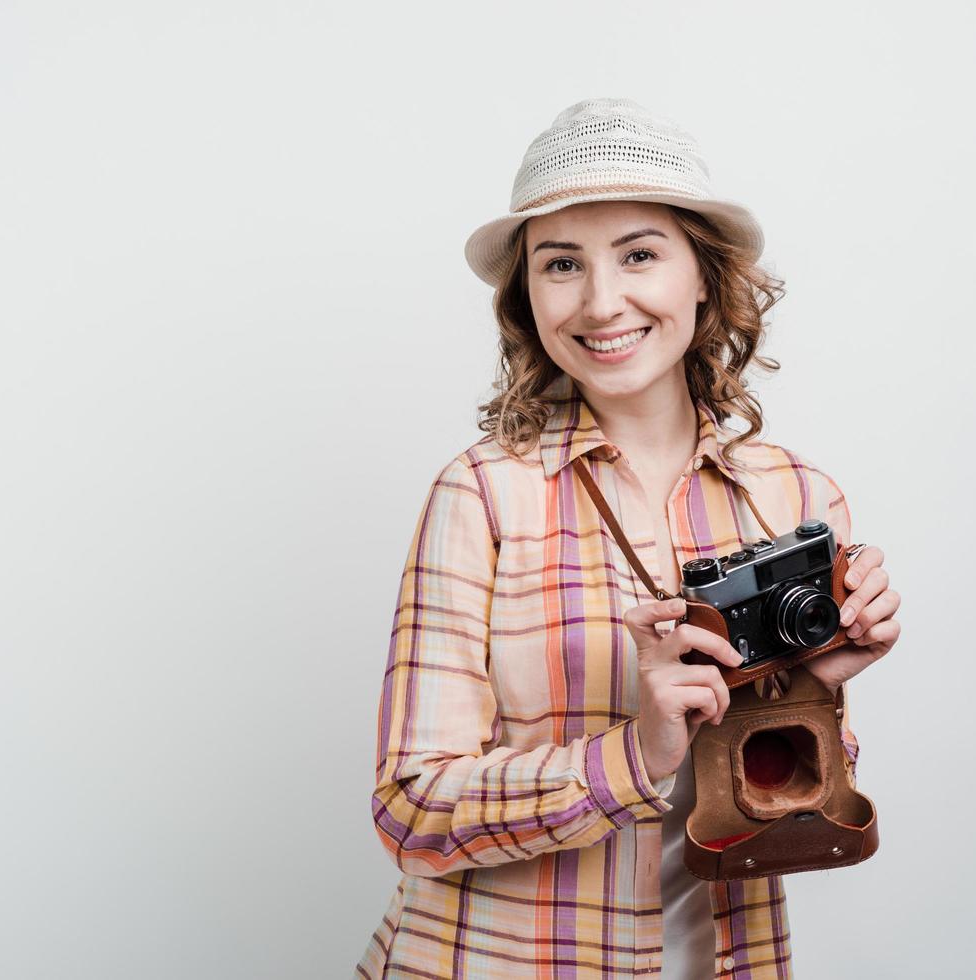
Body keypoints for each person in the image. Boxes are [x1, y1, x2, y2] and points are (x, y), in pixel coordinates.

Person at [355, 98, 902, 980]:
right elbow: (410, 811)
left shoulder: (797, 495)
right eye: (560, 264)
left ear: (700, 275)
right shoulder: (484, 494)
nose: (601, 301)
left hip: (722, 956)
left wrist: (814, 686)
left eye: (639, 254)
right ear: (526, 297)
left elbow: (784, 810)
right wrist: (637, 751)